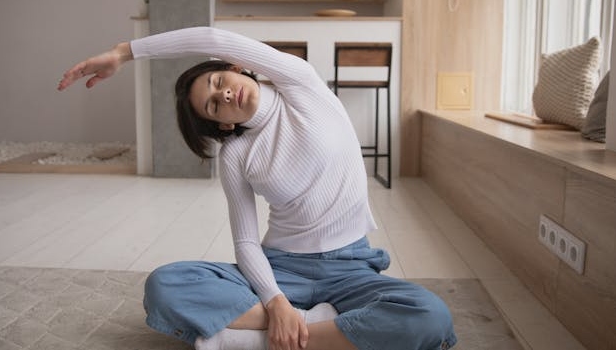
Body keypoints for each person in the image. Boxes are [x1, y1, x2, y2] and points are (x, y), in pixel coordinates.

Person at [58, 26, 456, 350]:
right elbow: (246, 243)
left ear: (238, 68)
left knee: (430, 315)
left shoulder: (301, 86)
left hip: (350, 269)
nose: (224, 94)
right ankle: (317, 328)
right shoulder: (237, 154)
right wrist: (275, 299)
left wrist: (124, 51)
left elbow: (212, 38)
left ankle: (267, 338)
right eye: (214, 105)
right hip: (282, 269)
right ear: (224, 124)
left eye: (218, 81)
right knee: (165, 285)